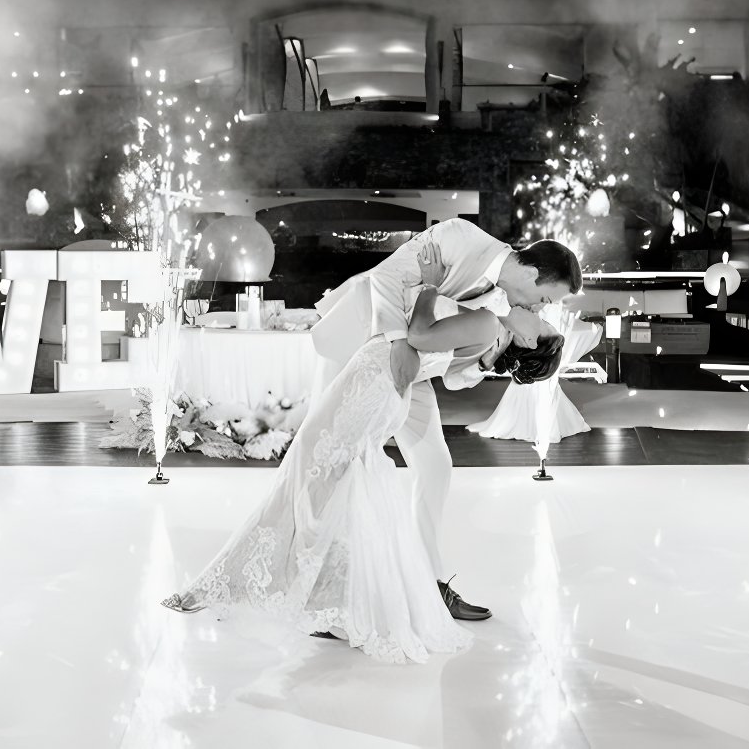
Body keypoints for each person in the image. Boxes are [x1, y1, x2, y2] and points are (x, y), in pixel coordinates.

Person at [162, 241, 565, 663]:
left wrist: (428, 287)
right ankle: (328, 597)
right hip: (381, 384)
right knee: (337, 484)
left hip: (373, 383)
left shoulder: (487, 324)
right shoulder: (488, 313)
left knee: (309, 474)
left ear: (525, 340)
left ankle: (252, 582)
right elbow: (430, 345)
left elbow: (418, 337)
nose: (541, 312)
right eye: (544, 308)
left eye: (542, 325)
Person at [309, 218, 580, 619]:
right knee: (330, 468)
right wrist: (400, 342)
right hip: (359, 344)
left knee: (436, 467)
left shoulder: (504, 302)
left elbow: (453, 367)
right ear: (534, 272)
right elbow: (385, 279)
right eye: (546, 299)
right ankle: (321, 594)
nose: (543, 309)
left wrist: (486, 361)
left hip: (411, 371)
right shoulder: (458, 237)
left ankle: (428, 584)